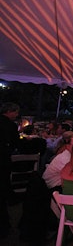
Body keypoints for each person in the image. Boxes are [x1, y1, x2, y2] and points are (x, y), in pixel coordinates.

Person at [0, 102, 20, 238]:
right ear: (9, 111)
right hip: (3, 158)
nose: (17, 115)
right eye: (15, 112)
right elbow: (16, 143)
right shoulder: (11, 126)